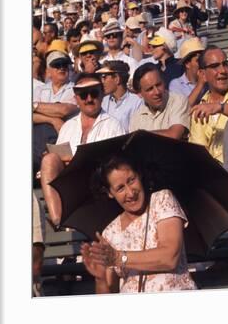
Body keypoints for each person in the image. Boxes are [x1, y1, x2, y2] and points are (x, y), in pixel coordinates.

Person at [81, 155, 197, 293]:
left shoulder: (162, 200)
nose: (130, 193)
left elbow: (170, 257)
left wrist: (118, 257)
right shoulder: (110, 233)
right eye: (120, 188)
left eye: (131, 180)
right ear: (110, 193)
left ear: (139, 174)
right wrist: (100, 279)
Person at [40, 73, 125, 226]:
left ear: (102, 94)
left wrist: (79, 161)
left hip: (99, 186)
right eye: (84, 95)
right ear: (76, 98)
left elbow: (116, 164)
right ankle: (57, 219)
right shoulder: (68, 127)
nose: (89, 99)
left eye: (94, 93)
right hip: (70, 187)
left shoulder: (114, 125)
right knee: (49, 159)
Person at [189, 46, 228, 164]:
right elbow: (199, 153)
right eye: (215, 66)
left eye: (225, 64)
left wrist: (220, 107)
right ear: (203, 75)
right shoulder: (200, 109)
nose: (223, 70)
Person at [129, 63, 189, 140]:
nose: (157, 92)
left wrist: (140, 135)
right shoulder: (136, 118)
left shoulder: (178, 101)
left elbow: (174, 135)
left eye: (158, 85)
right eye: (150, 89)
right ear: (139, 94)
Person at [96, 60, 143, 132]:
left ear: (117, 79)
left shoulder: (137, 103)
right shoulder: (102, 102)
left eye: (104, 77)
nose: (102, 81)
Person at [169, 37, 207, 107]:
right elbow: (182, 109)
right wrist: (200, 84)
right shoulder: (176, 85)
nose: (203, 63)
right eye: (198, 60)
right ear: (187, 64)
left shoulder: (209, 81)